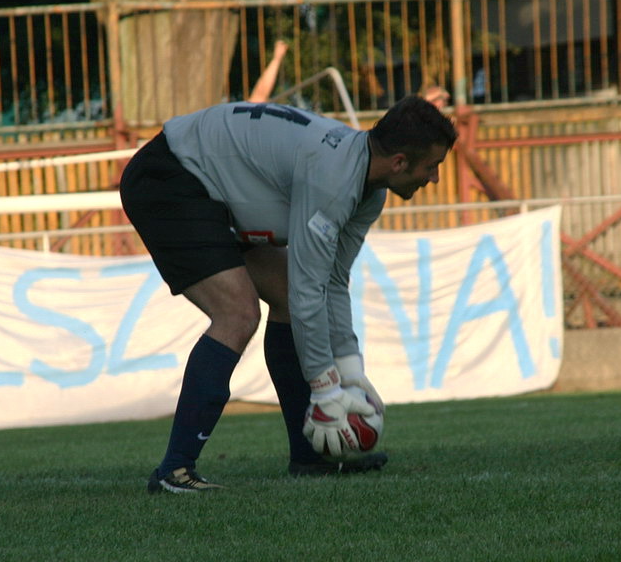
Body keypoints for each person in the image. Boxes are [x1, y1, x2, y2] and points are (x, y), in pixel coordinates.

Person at [120, 95, 457, 494]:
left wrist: (350, 369)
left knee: (284, 296)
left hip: (212, 184)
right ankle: (174, 471)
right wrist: (326, 390)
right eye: (432, 166)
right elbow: (309, 290)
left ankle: (308, 456)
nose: (434, 178)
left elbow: (333, 280)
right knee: (239, 314)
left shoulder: (368, 186)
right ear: (399, 162)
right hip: (171, 177)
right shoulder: (334, 180)